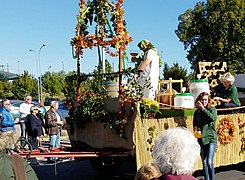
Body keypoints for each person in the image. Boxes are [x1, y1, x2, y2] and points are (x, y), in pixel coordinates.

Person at [193, 92, 217, 180]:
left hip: (210, 138)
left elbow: (212, 118)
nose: (204, 101)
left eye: (205, 100)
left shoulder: (212, 109)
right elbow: (195, 123)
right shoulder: (197, 112)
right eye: (202, 100)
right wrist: (195, 129)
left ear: (208, 100)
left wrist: (203, 109)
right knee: (204, 162)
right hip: (201, 139)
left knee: (209, 162)